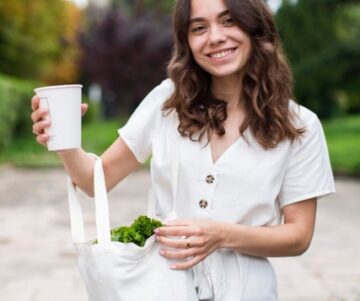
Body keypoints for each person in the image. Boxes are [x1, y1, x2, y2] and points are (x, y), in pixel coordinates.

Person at [31, 0, 336, 300]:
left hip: (248, 291)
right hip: (162, 286)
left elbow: (298, 235)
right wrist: (65, 141)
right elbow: (94, 181)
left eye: (229, 20)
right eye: (199, 27)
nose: (215, 37)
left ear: (255, 26)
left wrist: (221, 235)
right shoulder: (168, 102)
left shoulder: (301, 126)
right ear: (187, 41)